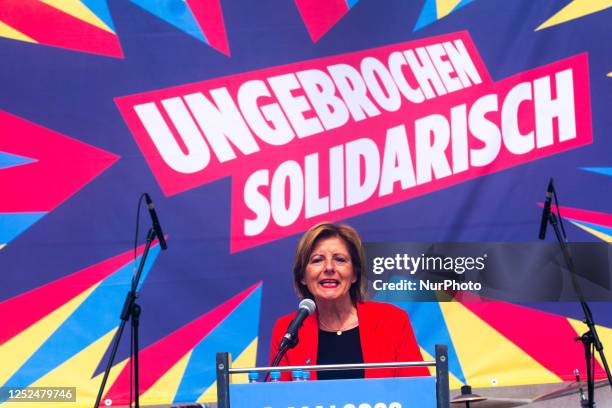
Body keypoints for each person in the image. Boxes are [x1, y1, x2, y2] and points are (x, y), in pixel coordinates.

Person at [269, 222, 429, 380]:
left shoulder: (392, 320)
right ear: (303, 276)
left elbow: (418, 394)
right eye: (317, 260)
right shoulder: (288, 330)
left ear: (354, 274)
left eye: (340, 259)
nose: (329, 268)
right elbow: (274, 399)